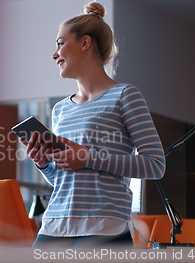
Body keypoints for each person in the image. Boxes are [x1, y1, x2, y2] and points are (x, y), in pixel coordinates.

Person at [22, 2, 165, 247]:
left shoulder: (125, 96)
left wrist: (88, 157)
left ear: (84, 43)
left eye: (60, 43)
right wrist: (44, 164)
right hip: (55, 222)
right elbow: (64, 179)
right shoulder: (60, 110)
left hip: (104, 225)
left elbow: (155, 165)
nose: (54, 54)